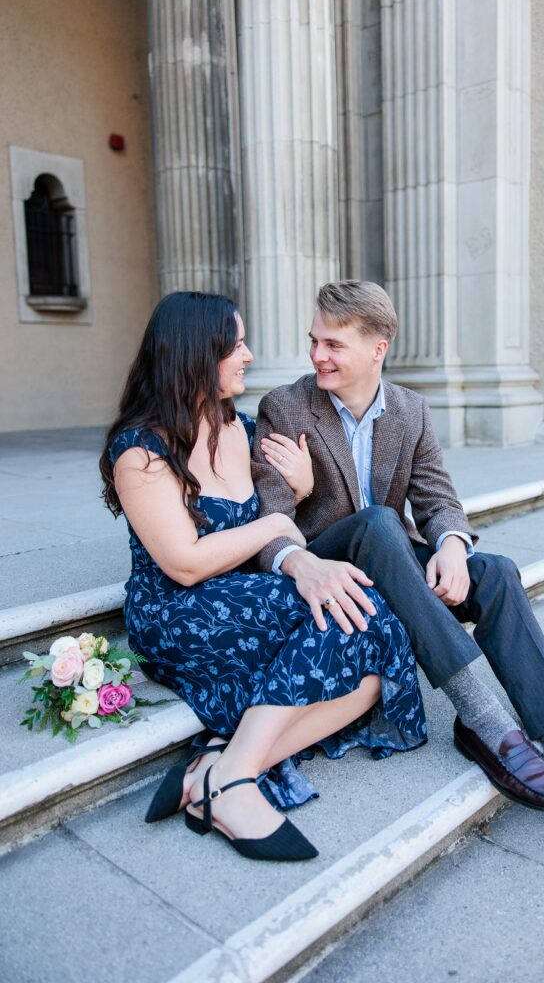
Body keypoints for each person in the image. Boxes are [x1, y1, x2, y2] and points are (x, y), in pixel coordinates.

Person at [252, 280, 544, 868]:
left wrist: (450, 545)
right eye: (315, 341)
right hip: (328, 567)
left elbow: (439, 501)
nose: (317, 355)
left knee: (495, 572)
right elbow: (271, 521)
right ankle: (485, 720)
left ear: (378, 347)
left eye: (333, 345)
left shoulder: (411, 410)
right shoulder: (286, 408)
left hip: (394, 561)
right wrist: (300, 557)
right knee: (382, 525)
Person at [99, 291, 427, 863]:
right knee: (343, 618)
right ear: (198, 354)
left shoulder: (244, 429)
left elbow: (285, 522)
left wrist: (297, 493)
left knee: (379, 635)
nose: (249, 355)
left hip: (247, 591)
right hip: (179, 609)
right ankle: (234, 789)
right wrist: (279, 516)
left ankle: (224, 767)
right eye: (237, 344)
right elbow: (185, 561)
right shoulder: (141, 451)